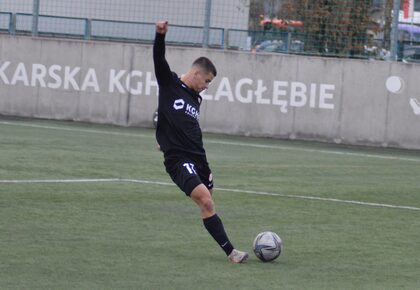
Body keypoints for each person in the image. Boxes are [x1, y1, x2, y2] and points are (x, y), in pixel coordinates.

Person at [153, 20, 248, 263]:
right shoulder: (170, 83)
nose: (206, 87)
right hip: (177, 159)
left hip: (199, 158)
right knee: (205, 199)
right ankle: (232, 252)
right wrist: (160, 35)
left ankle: (226, 246)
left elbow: (184, 126)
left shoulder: (196, 100)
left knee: (208, 202)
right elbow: (159, 60)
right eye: (206, 81)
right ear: (196, 73)